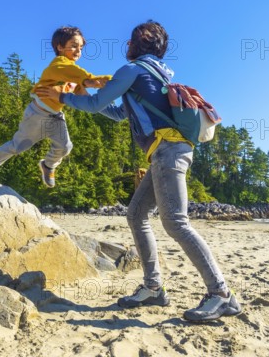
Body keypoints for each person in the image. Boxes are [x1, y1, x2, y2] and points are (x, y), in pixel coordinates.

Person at [35, 21, 241, 323]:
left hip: (168, 152)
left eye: (130, 40)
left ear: (140, 42)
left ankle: (221, 294)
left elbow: (93, 104)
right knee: (136, 216)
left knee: (176, 223)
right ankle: (153, 288)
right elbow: (119, 113)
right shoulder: (153, 73)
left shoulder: (132, 71)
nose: (126, 45)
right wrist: (79, 97)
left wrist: (61, 96)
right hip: (164, 153)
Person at [0, 26, 111, 188]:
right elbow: (84, 77)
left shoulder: (73, 76)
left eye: (81, 48)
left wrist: (102, 98)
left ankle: (48, 165)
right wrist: (103, 81)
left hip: (55, 116)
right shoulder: (59, 65)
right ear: (60, 47)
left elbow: (84, 94)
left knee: (65, 146)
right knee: (18, 146)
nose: (78, 51)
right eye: (74, 45)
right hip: (37, 114)